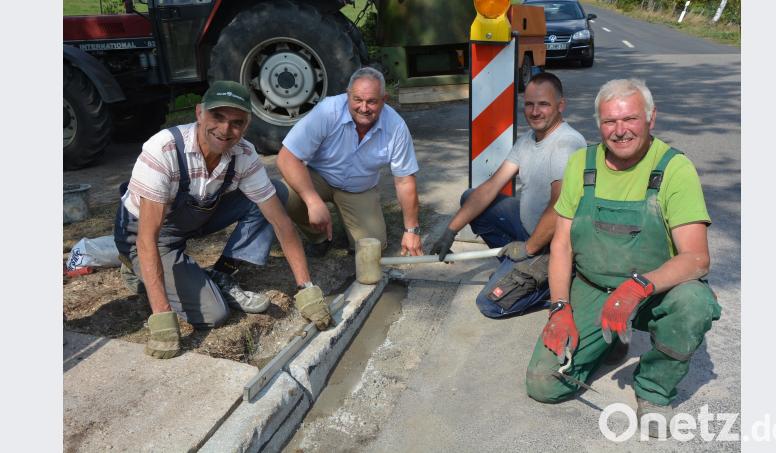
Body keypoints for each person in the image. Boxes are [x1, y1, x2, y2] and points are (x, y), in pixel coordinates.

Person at [525, 79, 721, 437]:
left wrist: (638, 287)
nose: (620, 131)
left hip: (653, 289)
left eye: (630, 119)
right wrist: (559, 308)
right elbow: (562, 246)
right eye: (609, 122)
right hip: (593, 286)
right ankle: (608, 339)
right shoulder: (581, 164)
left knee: (695, 301)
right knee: (544, 384)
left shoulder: (674, 169)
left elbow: (697, 259)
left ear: (650, 118)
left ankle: (654, 389)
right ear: (598, 124)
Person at [113, 80, 332, 360]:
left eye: (236, 122)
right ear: (199, 113)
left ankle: (222, 272)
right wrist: (161, 317)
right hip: (152, 235)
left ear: (247, 125)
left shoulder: (244, 154)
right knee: (214, 314)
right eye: (218, 117)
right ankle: (133, 267)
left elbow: (281, 223)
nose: (226, 130)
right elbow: (148, 238)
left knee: (272, 195)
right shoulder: (164, 150)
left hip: (197, 217)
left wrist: (306, 288)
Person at [430, 72, 586, 318]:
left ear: (560, 106)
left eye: (543, 104)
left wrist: (528, 249)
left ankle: (556, 286)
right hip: (529, 228)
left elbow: (560, 206)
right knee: (471, 197)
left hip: (553, 245)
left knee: (491, 305)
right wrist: (450, 230)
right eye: (530, 104)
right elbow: (492, 186)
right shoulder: (527, 140)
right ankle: (517, 271)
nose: (535, 111)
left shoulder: (567, 144)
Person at [277, 67, 423, 257]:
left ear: (384, 100)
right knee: (280, 194)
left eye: (371, 101)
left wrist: (411, 231)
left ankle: (352, 230)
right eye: (358, 100)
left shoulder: (396, 127)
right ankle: (319, 237)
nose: (364, 108)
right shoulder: (327, 111)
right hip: (318, 178)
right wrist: (312, 201)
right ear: (348, 95)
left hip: (359, 188)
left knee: (372, 249)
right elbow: (286, 157)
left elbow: (405, 180)